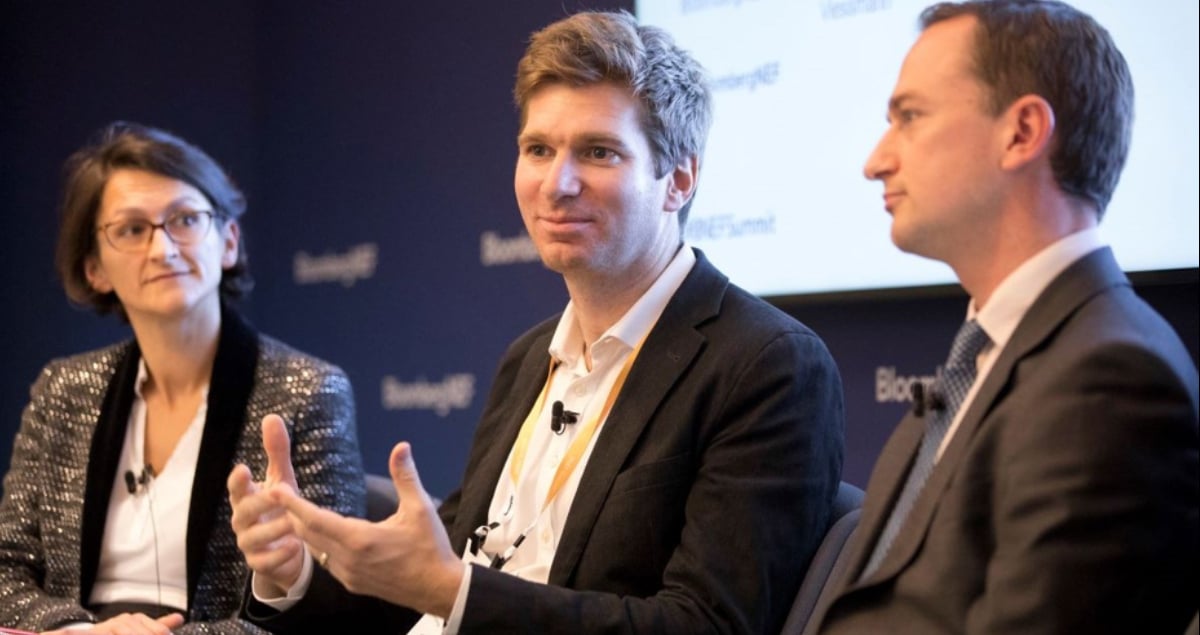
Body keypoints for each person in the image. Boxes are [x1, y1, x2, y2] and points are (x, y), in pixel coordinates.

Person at [229, 10, 845, 634]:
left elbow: (708, 626)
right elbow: (431, 580)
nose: (559, 183)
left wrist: (456, 591)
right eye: (538, 150)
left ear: (678, 180)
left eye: (599, 152)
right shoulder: (530, 357)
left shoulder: (765, 364)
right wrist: (295, 574)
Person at [812, 2, 1199, 634]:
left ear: (1021, 132)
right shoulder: (982, 358)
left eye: (909, 117)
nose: (875, 160)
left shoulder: (1110, 380)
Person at [0, 122, 367, 634]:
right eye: (131, 229)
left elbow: (335, 604)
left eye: (185, 219)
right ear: (94, 269)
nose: (162, 249)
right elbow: (6, 573)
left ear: (229, 242)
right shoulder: (62, 390)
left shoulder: (307, 391)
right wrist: (82, 632)